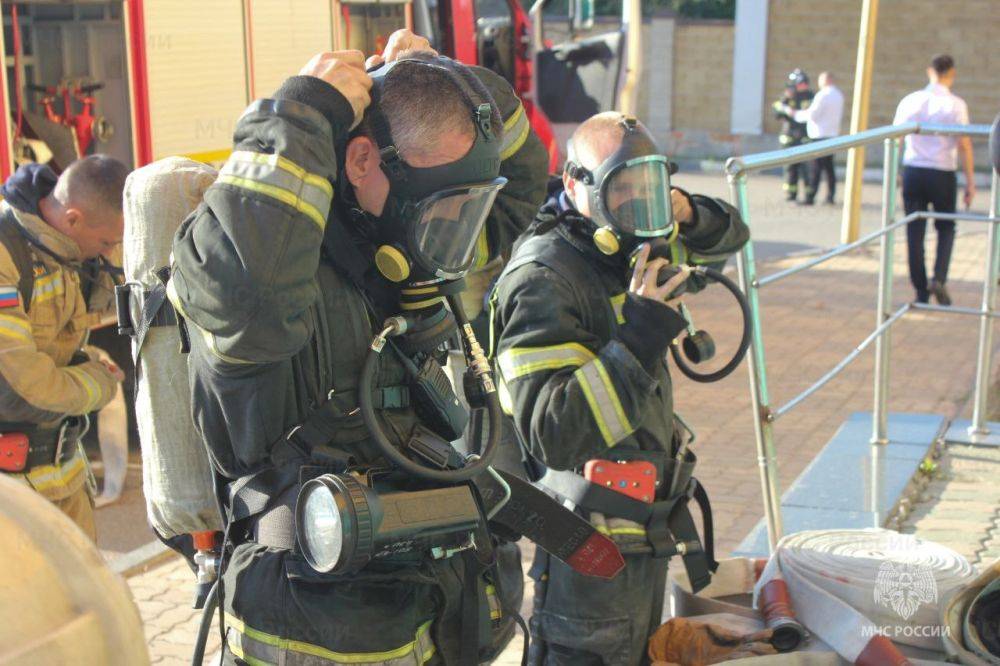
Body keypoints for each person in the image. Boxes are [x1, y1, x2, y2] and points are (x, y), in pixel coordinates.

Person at [168, 29, 548, 663]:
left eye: (467, 207)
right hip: (312, 624)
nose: (454, 233)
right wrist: (300, 110)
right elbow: (248, 297)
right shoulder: (276, 274)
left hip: (422, 607)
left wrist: (446, 76)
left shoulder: (409, 246)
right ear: (362, 160)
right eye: (444, 205)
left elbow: (524, 180)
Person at [490, 112, 749, 665]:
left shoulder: (631, 247)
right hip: (590, 545)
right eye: (622, 189)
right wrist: (640, 339)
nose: (638, 204)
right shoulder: (544, 278)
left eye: (648, 188)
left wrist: (684, 210)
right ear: (574, 186)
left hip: (643, 532)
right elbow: (552, 434)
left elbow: (732, 234)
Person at [0, 155, 128, 540]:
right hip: (14, 500)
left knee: (86, 601)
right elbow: (21, 392)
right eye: (106, 242)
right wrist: (100, 383)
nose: (109, 254)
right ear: (72, 218)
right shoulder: (7, 254)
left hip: (65, 477)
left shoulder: (67, 246)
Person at [893, 54, 975, 306]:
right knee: (946, 228)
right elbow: (964, 144)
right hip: (942, 171)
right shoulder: (956, 105)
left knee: (914, 230)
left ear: (930, 71)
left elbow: (897, 137)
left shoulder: (912, 100)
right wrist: (969, 181)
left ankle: (920, 289)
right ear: (951, 73)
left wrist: (898, 171)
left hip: (915, 169)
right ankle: (938, 278)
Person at [786, 71, 844, 205]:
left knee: (815, 168)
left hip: (819, 135)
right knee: (829, 168)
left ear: (826, 80)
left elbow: (812, 115)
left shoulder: (822, 95)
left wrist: (796, 114)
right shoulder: (838, 95)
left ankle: (810, 197)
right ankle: (830, 196)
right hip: (832, 135)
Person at [772, 68, 814, 202]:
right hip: (789, 137)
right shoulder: (787, 98)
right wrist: (784, 103)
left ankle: (809, 195)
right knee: (790, 168)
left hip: (805, 137)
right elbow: (777, 113)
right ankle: (791, 194)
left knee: (807, 168)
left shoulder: (811, 97)